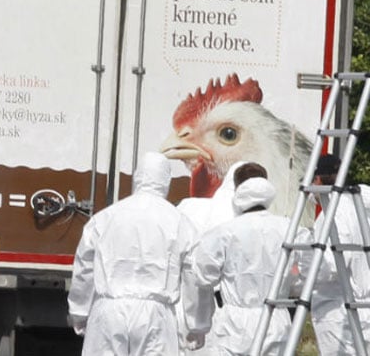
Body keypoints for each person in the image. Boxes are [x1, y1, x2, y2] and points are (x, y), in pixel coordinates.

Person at [67, 151, 197, 355]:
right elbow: (193, 277)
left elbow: (84, 269)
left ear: (137, 177)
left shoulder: (105, 218)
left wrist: (79, 311)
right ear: (166, 181)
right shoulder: (180, 222)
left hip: (109, 311)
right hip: (156, 316)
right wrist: (196, 324)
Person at [183, 177, 293, 355]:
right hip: (276, 318)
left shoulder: (225, 231)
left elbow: (203, 276)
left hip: (235, 322)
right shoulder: (288, 228)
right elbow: (307, 269)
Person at [176, 161, 268, 354]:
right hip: (258, 314)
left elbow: (195, 275)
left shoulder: (192, 209)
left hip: (213, 311)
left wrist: (196, 322)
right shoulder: (273, 225)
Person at [300, 153, 370, 354]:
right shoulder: (361, 206)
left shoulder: (333, 213)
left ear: (318, 179)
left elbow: (328, 268)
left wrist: (304, 263)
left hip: (339, 311)